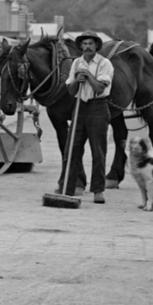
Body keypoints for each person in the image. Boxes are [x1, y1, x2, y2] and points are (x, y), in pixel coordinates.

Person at [62, 30, 114, 204]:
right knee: (72, 150)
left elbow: (100, 88)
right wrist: (77, 79)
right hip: (79, 107)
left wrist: (88, 75)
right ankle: (68, 189)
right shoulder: (76, 62)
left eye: (90, 43)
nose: (87, 47)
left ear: (96, 45)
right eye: (84, 44)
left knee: (98, 151)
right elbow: (70, 90)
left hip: (98, 107)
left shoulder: (105, 63)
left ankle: (98, 190)